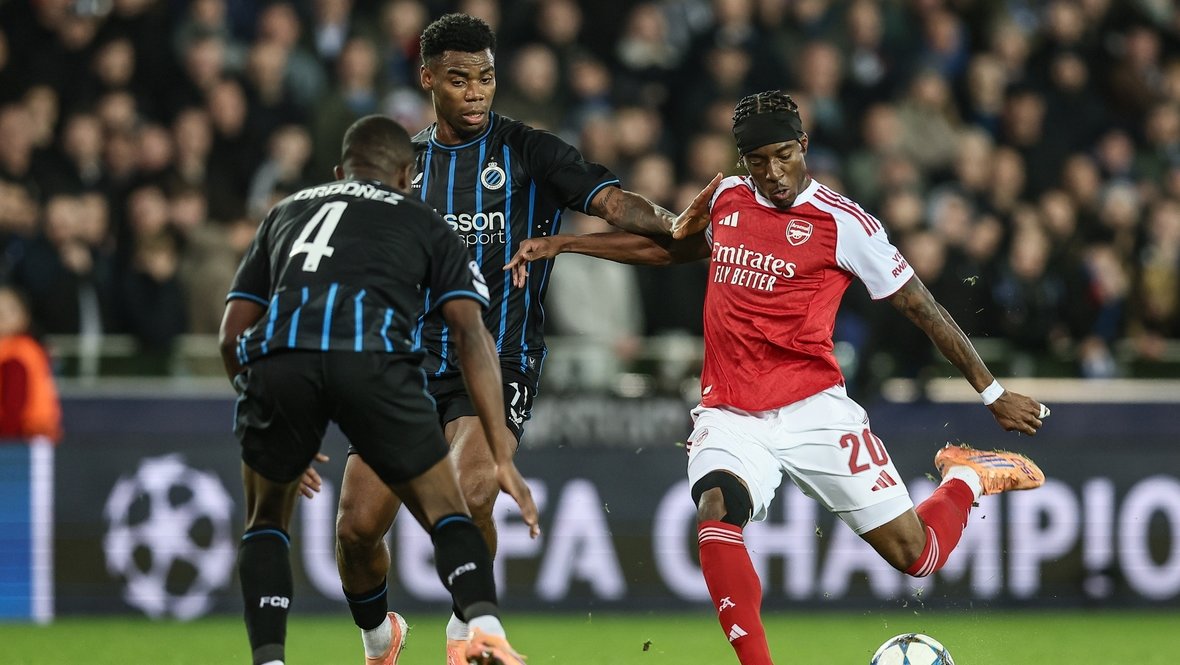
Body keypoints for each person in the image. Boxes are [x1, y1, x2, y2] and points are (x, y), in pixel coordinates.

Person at [505, 90, 1049, 665]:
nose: (773, 173)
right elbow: (673, 249)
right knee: (716, 509)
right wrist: (568, 244)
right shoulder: (728, 200)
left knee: (918, 556)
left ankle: (965, 476)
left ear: (803, 146)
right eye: (758, 161)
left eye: (783, 156)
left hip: (815, 408)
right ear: (742, 160)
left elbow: (922, 307)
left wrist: (991, 392)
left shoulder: (846, 224)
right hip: (730, 413)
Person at [326, 14, 717, 664]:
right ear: (427, 79)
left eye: (485, 77)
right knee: (356, 528)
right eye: (459, 79)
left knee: (471, 490)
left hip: (498, 358)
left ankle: (468, 630)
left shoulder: (530, 151)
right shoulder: (403, 166)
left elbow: (614, 203)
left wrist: (672, 223)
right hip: (406, 365)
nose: (475, 91)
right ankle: (380, 639)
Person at [218, 115, 539, 665]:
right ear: (408, 176)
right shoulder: (421, 219)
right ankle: (483, 628)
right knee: (440, 510)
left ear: (340, 173)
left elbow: (231, 335)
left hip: (281, 365)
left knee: (266, 523)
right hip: (372, 366)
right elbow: (470, 331)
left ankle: (270, 659)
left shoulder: (286, 211)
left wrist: (267, 413)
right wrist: (501, 447)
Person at [0, 285, 62, 443]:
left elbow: (13, 408)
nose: (3, 315)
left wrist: (7, 442)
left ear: (25, 315)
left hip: (25, 440)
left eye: (10, 309)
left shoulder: (19, 352)